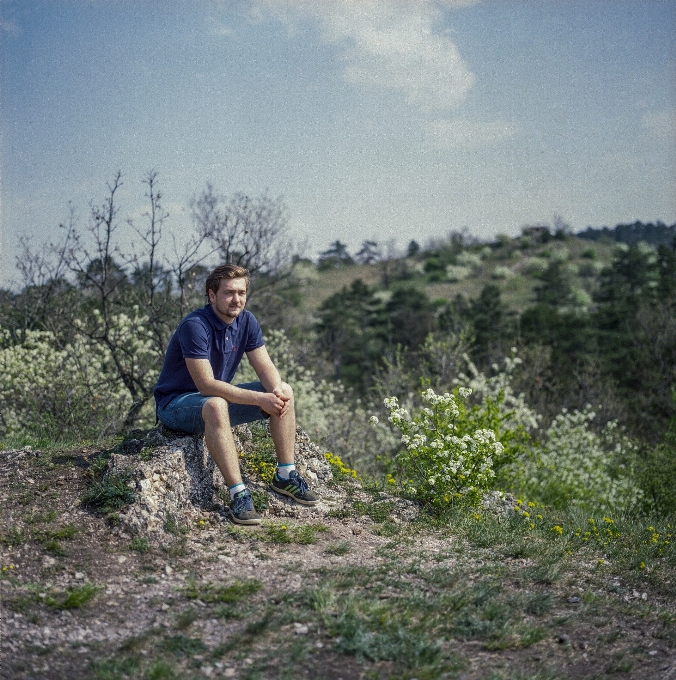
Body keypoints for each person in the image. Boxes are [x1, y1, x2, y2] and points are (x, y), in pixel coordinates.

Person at [154, 264, 319, 525]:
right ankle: (239, 493)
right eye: (229, 292)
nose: (237, 299)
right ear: (212, 295)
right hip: (176, 404)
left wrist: (274, 392)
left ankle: (286, 475)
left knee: (284, 389)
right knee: (217, 404)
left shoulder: (246, 321)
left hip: (213, 403)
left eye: (241, 292)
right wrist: (258, 399)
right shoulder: (195, 325)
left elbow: (265, 366)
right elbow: (206, 385)